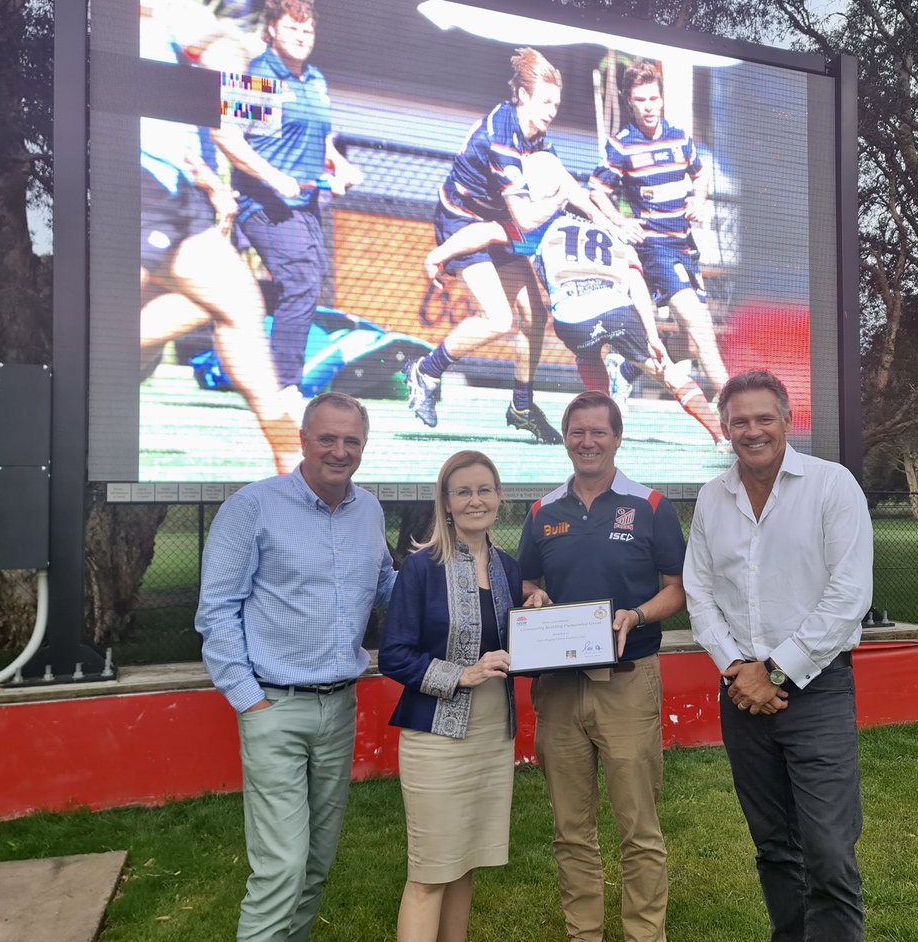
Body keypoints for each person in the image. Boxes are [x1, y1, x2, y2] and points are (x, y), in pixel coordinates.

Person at [195, 391, 397, 942]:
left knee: (315, 865)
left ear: (363, 446)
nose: (339, 450)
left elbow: (387, 589)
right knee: (280, 867)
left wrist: (454, 568)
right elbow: (216, 610)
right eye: (327, 438)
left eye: (350, 440)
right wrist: (249, 701)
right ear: (303, 440)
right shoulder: (253, 506)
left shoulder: (370, 510)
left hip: (339, 709)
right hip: (273, 706)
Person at [682, 370, 873, 941]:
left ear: (788, 421)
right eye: (739, 421)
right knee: (774, 848)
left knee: (830, 852)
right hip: (741, 693)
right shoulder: (714, 498)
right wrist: (741, 670)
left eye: (764, 418)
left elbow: (849, 595)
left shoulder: (831, 485)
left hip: (817, 691)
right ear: (725, 428)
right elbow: (700, 592)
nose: (752, 430)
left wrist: (775, 670)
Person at [517, 390, 687, 942]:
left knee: (638, 826)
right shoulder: (542, 511)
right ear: (565, 438)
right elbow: (528, 581)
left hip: (627, 682)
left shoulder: (651, 505)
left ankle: (644, 935)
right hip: (559, 689)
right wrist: (534, 599)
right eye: (576, 431)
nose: (587, 442)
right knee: (571, 829)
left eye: (598, 432)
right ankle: (583, 933)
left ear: (617, 438)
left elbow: (677, 589)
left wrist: (636, 616)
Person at [424, 152, 727, 448]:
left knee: (587, 356)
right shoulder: (606, 225)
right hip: (617, 310)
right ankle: (721, 436)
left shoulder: (538, 227)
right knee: (667, 373)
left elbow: (482, 232)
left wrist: (439, 255)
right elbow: (635, 278)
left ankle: (605, 422)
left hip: (572, 320)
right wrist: (651, 336)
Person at [138, 0, 300, 473]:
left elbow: (183, 109)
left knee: (238, 305)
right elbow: (255, 97)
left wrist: (208, 180)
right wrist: (248, 66)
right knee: (234, 306)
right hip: (138, 185)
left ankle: (289, 461)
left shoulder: (160, 3)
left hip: (175, 187)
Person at [404, 47, 604, 445]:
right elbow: (529, 218)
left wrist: (611, 222)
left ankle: (521, 406)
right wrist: (559, 200)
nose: (552, 110)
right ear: (523, 97)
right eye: (545, 101)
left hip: (496, 222)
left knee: (535, 317)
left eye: (556, 103)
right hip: (462, 221)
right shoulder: (504, 138)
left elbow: (568, 186)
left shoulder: (536, 134)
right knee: (498, 319)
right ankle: (425, 371)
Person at [379, 451, 525, 942]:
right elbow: (394, 655)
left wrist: (537, 611)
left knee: (464, 864)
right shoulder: (421, 567)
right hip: (436, 739)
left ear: (500, 497)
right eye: (462, 491)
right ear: (445, 502)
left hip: (492, 735)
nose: (475, 500)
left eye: (485, 489)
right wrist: (462, 675)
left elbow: (517, 644)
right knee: (429, 873)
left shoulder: (508, 567)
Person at [214, 0, 363, 395]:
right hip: (265, 205)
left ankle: (234, 321)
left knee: (305, 286)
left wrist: (342, 165)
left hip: (305, 205)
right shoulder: (263, 75)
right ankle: (286, 390)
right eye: (293, 27)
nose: (302, 36)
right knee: (300, 283)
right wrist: (271, 176)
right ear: (273, 30)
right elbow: (227, 137)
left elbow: (322, 141)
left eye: (308, 29)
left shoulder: (315, 80)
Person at [589, 61, 729, 407]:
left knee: (691, 341)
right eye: (641, 100)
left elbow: (701, 173)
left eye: (654, 98)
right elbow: (595, 190)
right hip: (654, 251)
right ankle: (734, 409)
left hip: (686, 247)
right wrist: (620, 222)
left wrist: (699, 197)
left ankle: (625, 370)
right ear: (629, 102)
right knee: (701, 328)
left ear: (662, 99)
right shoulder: (622, 145)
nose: (649, 106)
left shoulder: (680, 137)